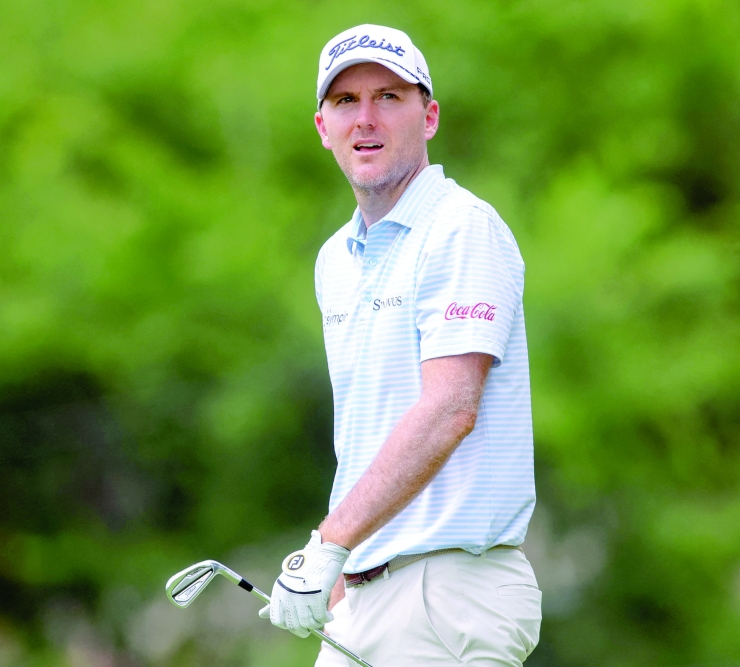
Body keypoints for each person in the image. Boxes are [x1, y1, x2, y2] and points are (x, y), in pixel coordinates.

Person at [259, 24, 541, 666]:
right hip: (363, 592)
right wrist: (339, 569)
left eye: (388, 96)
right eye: (345, 101)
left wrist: (327, 543)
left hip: (449, 592)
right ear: (322, 126)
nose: (366, 118)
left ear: (430, 116)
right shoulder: (335, 259)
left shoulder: (461, 228)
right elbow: (369, 427)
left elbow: (449, 411)